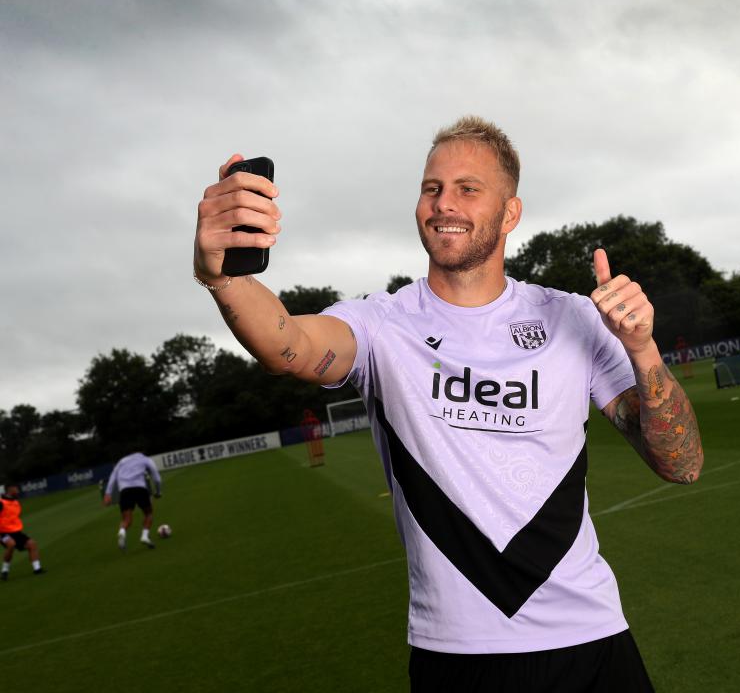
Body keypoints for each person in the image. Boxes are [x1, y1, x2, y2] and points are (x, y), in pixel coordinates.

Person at [193, 116, 704, 692]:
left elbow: (681, 464)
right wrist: (223, 278)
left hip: (591, 641)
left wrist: (642, 349)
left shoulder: (572, 317)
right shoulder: (383, 323)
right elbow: (291, 345)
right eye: (431, 188)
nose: (444, 204)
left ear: (510, 213)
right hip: (459, 659)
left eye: (468, 188)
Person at [103, 452, 163, 550]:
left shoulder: (121, 461)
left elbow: (113, 476)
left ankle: (122, 531)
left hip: (125, 491)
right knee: (148, 513)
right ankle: (144, 536)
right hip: (140, 489)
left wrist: (108, 493)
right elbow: (157, 478)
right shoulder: (145, 459)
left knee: (127, 520)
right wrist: (158, 491)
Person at [0, 483, 46, 580]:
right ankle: (5, 570)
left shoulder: (16, 502)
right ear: (10, 489)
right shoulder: (1, 502)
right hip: (3, 532)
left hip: (16, 531)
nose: (18, 491)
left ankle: (37, 569)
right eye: (16, 488)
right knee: (11, 544)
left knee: (32, 544)